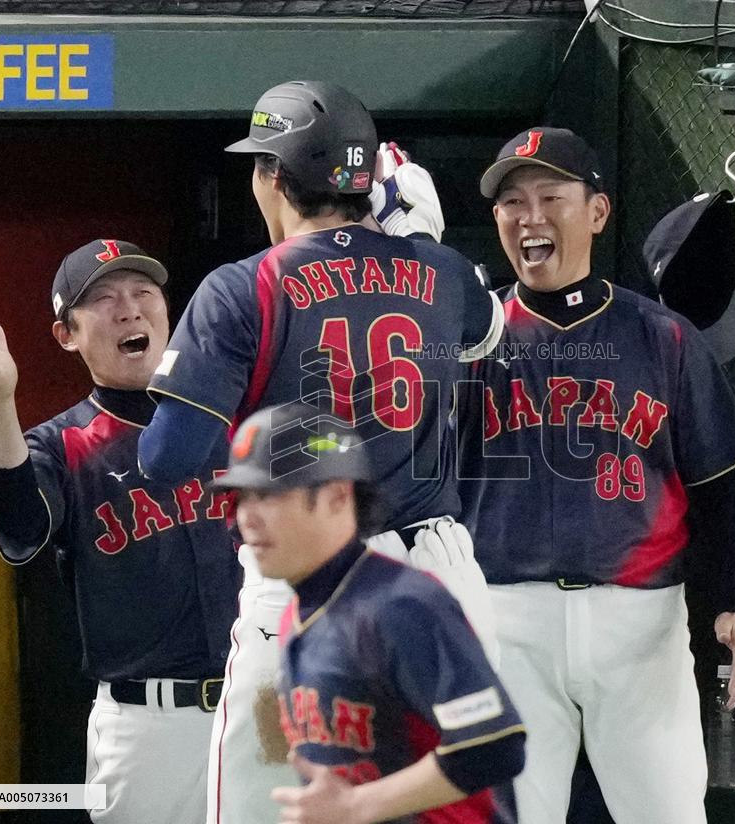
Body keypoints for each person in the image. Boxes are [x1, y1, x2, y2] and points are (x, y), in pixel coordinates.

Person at [135, 80, 504, 824]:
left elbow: (167, 458)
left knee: (269, 811)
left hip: (307, 590)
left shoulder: (241, 289)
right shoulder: (441, 272)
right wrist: (415, 240)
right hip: (439, 584)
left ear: (274, 176)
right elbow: (486, 331)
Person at [456, 127, 735, 824]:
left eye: (550, 197)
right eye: (512, 202)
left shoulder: (663, 338)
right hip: (507, 619)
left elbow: (726, 488)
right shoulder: (469, 342)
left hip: (640, 624)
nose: (529, 216)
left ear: (597, 212)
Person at [0, 239, 241, 824]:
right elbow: (21, 532)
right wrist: (0, 401)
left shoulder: (234, 417)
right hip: (149, 726)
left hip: (260, 701)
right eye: (105, 299)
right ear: (67, 334)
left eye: (143, 292)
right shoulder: (62, 444)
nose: (129, 310)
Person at [212, 401, 526, 823]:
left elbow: (494, 746)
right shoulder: (298, 617)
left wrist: (356, 806)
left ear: (338, 497)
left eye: (270, 495)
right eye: (243, 496)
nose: (247, 517)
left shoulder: (401, 606)